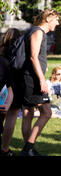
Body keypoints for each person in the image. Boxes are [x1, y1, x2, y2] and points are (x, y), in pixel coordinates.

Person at [16, 9, 59, 156]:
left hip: (29, 77)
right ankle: (28, 148)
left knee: (28, 113)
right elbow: (34, 57)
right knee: (46, 112)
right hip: (32, 79)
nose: (58, 23)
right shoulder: (38, 32)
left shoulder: (36, 31)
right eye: (56, 20)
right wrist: (42, 80)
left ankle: (28, 150)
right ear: (48, 19)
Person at [0, 28, 20, 156]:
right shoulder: (18, 52)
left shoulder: (1, 53)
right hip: (11, 86)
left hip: (6, 88)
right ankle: (5, 148)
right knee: (12, 115)